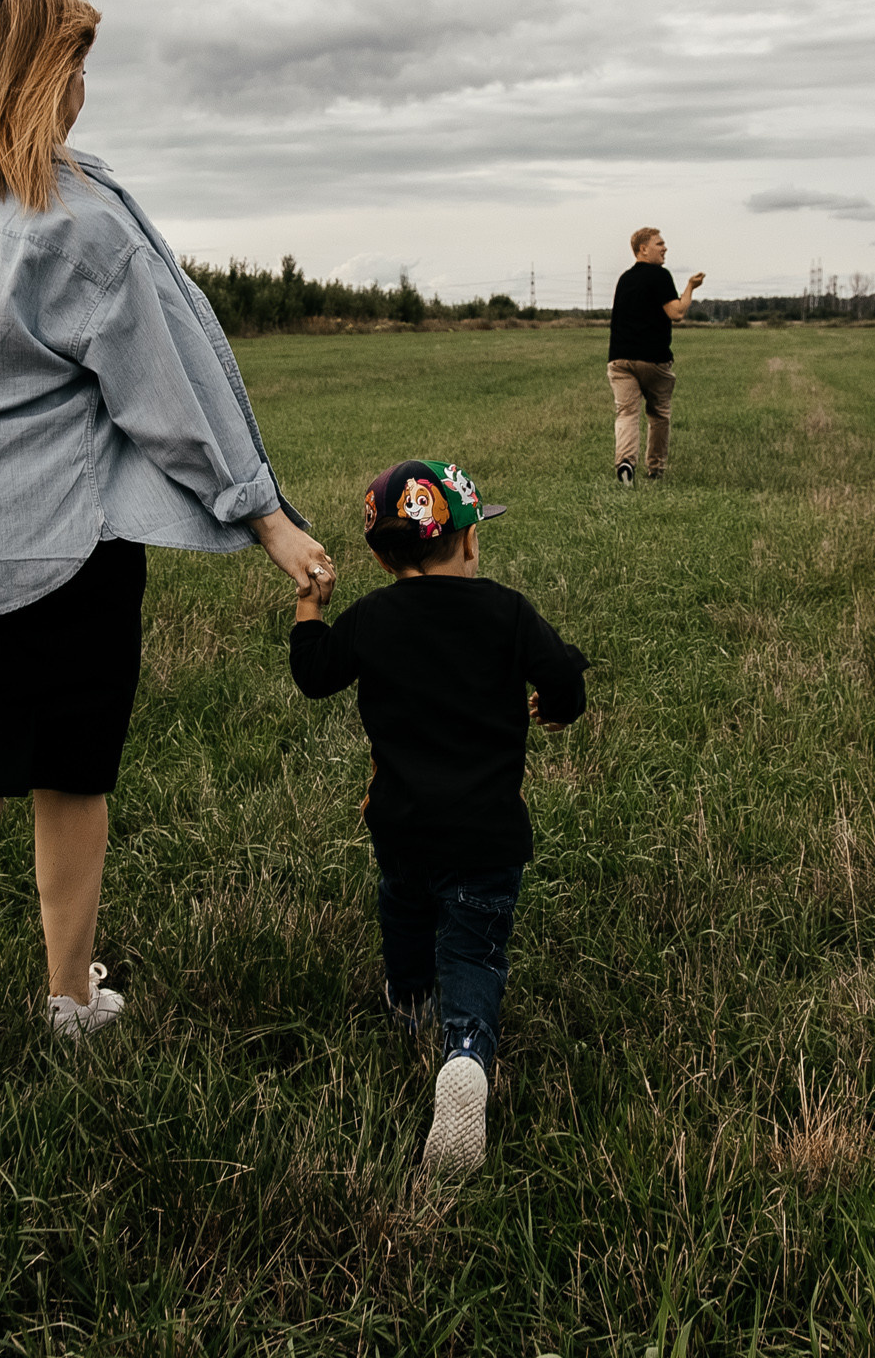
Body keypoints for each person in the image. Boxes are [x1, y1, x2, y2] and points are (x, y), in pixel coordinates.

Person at [0, 0, 336, 1171]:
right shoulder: (80, 222)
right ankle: (70, 1003)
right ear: (38, 80)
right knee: (70, 778)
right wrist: (261, 515)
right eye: (76, 69)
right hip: (58, 557)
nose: (83, 93)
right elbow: (171, 393)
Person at [288, 459, 589, 1176]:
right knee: (474, 949)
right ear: (469, 540)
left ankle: (409, 1006)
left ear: (381, 555)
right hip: (486, 835)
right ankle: (465, 1053)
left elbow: (315, 673)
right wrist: (555, 704)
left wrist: (310, 608)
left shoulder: (371, 618)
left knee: (406, 912)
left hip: (400, 825)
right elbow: (565, 680)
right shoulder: (507, 612)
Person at [605, 227, 705, 484]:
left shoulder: (624, 279)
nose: (665, 248)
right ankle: (655, 469)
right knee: (658, 414)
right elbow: (677, 313)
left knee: (626, 413)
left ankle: (625, 462)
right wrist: (690, 287)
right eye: (659, 244)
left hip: (619, 360)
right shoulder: (659, 275)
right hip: (653, 360)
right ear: (643, 249)